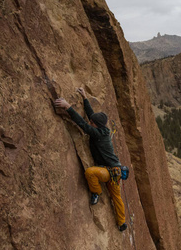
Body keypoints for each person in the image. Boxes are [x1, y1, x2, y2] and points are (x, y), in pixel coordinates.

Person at [55, 88, 129, 232]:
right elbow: (91, 116)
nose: (90, 122)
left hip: (110, 172)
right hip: (114, 171)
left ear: (96, 125)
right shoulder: (101, 130)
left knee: (91, 173)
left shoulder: (98, 134)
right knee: (117, 198)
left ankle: (97, 193)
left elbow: (83, 125)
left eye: (92, 122)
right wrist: (85, 98)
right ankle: (122, 222)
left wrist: (68, 107)